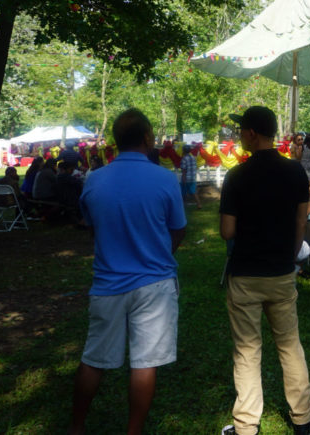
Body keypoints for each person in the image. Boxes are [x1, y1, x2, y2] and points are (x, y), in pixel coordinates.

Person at [69, 109, 186, 435]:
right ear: (148, 139)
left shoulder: (95, 179)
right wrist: (158, 254)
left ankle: (76, 426)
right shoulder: (164, 179)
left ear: (115, 142)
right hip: (155, 284)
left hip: (108, 282)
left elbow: (93, 229)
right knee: (144, 363)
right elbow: (179, 230)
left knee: (94, 358)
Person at [218, 106, 310, 435]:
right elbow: (301, 221)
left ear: (252, 134)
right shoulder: (295, 172)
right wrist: (288, 254)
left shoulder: (236, 176)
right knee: (290, 346)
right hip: (281, 273)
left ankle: (246, 427)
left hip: (245, 273)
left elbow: (227, 231)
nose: (239, 136)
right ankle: (302, 419)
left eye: (241, 131)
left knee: (247, 353)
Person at [180, 144, 202, 209]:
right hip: (193, 177)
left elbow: (184, 170)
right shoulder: (193, 158)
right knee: (193, 192)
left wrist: (183, 179)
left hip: (186, 178)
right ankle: (199, 204)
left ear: (183, 151)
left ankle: (183, 205)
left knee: (183, 192)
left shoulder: (184, 159)